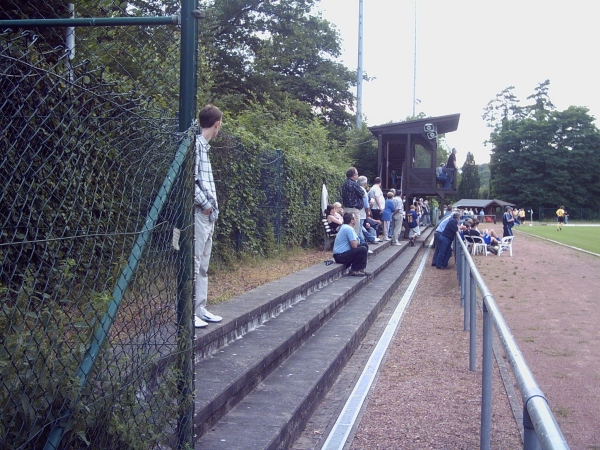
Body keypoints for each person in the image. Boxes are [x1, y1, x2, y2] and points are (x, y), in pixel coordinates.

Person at [194, 104, 224, 328]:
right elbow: (189, 180)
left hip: (208, 216)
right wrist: (205, 205)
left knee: (203, 265)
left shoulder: (204, 148)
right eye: (220, 124)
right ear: (216, 124)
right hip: (198, 214)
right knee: (194, 264)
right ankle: (188, 312)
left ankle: (200, 309)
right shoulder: (196, 146)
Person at [341, 167, 365, 236]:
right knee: (354, 231)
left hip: (346, 209)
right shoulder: (354, 184)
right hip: (354, 210)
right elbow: (363, 194)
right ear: (353, 175)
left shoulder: (344, 184)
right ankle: (354, 246)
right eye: (357, 174)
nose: (357, 176)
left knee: (347, 230)